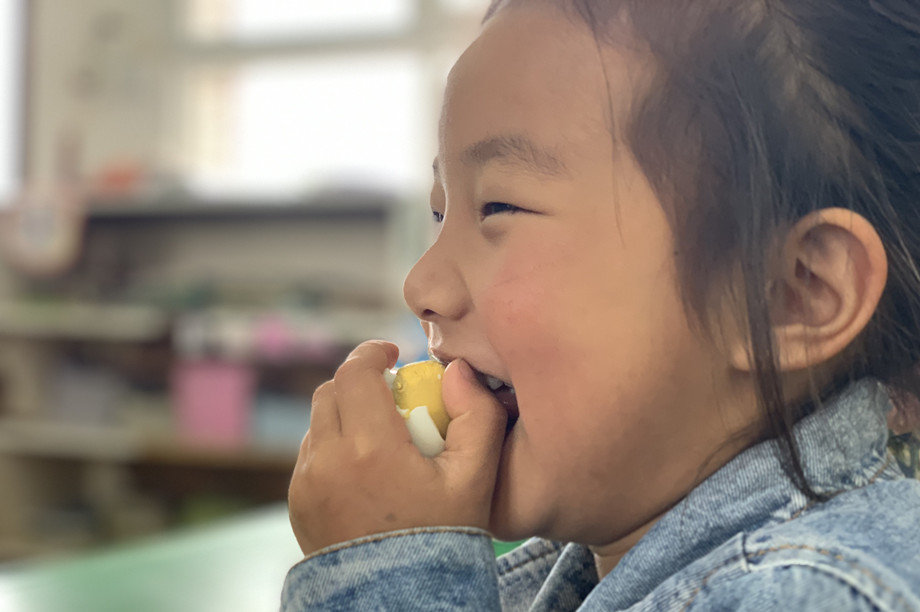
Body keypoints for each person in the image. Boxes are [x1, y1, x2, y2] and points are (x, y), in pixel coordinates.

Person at [283, 0, 920, 609]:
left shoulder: (812, 593)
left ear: (792, 295)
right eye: (439, 213)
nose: (421, 286)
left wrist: (388, 573)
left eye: (500, 206)